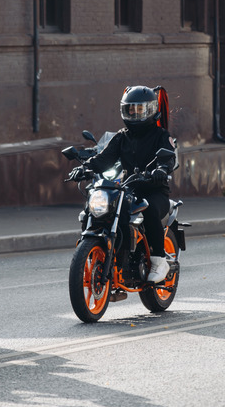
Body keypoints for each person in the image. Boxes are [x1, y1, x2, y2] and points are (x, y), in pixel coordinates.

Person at [70, 85, 176, 283]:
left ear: (151, 110)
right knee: (97, 210)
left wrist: (161, 170)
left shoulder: (161, 136)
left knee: (150, 209)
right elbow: (104, 159)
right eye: (130, 109)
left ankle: (159, 260)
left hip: (154, 190)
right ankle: (105, 253)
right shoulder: (121, 137)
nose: (135, 114)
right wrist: (85, 168)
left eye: (140, 109)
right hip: (128, 189)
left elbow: (168, 158)